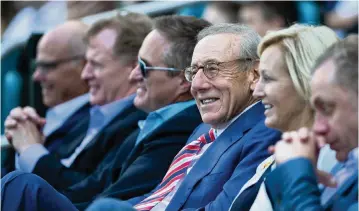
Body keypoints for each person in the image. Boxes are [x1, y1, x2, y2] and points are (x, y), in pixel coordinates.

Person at [1, 15, 209, 211]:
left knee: (21, 185)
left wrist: (32, 152)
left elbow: (106, 200)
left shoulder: (178, 128)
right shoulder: (152, 123)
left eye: (143, 67)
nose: (134, 75)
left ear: (183, 80)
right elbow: (91, 189)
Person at [88, 23, 281, 211]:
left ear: (254, 74)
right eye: (193, 71)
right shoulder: (203, 129)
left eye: (212, 69)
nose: (196, 85)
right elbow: (160, 197)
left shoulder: (266, 133)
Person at [3, 13, 151, 190]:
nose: (85, 74)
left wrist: (30, 149)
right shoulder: (94, 114)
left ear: (134, 68)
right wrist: (33, 139)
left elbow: (87, 192)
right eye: (86, 63)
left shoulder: (140, 124)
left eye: (96, 64)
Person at [228, 24, 340, 211]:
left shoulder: (336, 159)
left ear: (306, 81)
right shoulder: (285, 150)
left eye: (268, 79)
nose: (256, 91)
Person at [263, 35, 358, 211]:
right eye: (316, 111)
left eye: (327, 108)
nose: (318, 127)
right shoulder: (345, 165)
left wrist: (297, 176)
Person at [2, 20, 90, 177]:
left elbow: (78, 192)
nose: (36, 76)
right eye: (37, 66)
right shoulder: (38, 117)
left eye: (47, 66)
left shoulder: (101, 121)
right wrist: (21, 137)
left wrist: (30, 149)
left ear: (84, 65)